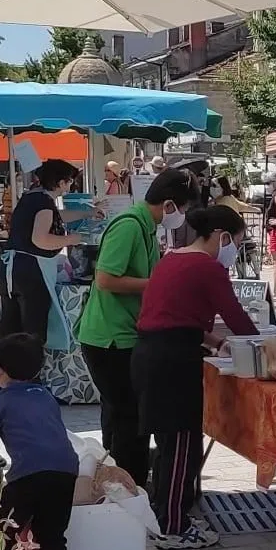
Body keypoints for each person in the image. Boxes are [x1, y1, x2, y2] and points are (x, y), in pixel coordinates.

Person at [133, 205, 259, 550]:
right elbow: (237, 318)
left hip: (152, 355)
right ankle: (173, 528)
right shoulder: (207, 267)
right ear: (221, 237)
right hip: (173, 362)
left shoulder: (171, 259)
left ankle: (167, 516)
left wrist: (216, 343)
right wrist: (266, 344)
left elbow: (175, 316)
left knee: (169, 445)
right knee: (182, 446)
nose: (234, 249)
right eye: (235, 241)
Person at [76, 169, 197, 488]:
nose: (182, 216)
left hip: (125, 334)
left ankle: (117, 485)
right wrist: (155, 284)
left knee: (122, 416)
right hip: (109, 339)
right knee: (129, 418)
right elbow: (105, 278)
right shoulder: (130, 226)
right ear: (169, 204)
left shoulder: (146, 228)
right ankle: (128, 490)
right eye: (182, 209)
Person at [0, 333, 81, 550]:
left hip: (28, 474)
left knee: (0, 531)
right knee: (51, 535)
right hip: (66, 471)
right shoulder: (47, 397)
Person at [0, 159, 84, 345]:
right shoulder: (44, 202)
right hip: (31, 273)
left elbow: (57, 216)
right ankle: (29, 370)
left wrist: (88, 213)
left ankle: (5, 370)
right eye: (70, 181)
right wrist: (72, 239)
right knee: (32, 333)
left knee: (10, 330)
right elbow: (41, 239)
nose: (71, 185)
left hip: (9, 270)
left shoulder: (32, 197)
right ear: (61, 182)